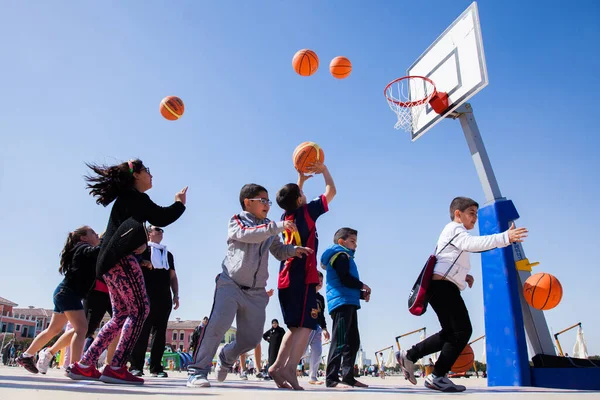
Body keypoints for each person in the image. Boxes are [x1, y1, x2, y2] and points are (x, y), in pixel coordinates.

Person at [68, 159, 187, 385]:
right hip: (122, 260)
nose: (151, 175)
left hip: (108, 264)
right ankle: (116, 366)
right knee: (141, 309)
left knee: (121, 314)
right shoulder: (136, 197)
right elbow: (161, 217)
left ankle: (85, 364)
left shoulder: (128, 200)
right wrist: (179, 203)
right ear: (136, 176)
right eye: (147, 171)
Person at [396, 196, 528, 393]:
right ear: (458, 214)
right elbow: (472, 244)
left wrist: (464, 276)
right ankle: (437, 375)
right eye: (471, 213)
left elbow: (448, 258)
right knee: (462, 331)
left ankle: (409, 355)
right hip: (442, 286)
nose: (475, 218)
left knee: (451, 333)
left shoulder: (455, 233)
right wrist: (505, 237)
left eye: (476, 214)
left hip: (441, 285)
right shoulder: (455, 229)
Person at [186, 183, 312, 388]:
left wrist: (293, 250)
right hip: (230, 284)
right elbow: (249, 234)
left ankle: (226, 356)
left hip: (256, 293)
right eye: (263, 201)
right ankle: (197, 371)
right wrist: (276, 227)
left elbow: (278, 250)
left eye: (268, 202)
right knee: (218, 325)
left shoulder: (269, 226)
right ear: (247, 202)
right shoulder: (237, 221)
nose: (267, 206)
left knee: (251, 340)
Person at [269, 162, 336, 390]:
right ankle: (289, 368)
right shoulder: (308, 212)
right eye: (302, 194)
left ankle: (276, 367)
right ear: (300, 200)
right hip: (302, 275)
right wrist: (324, 169)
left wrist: (300, 180)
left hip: (285, 277)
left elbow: (292, 200)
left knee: (295, 327)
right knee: (307, 325)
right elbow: (331, 192)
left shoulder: (286, 214)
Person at [17, 226, 101, 374]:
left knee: (54, 329)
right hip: (69, 294)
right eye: (93, 233)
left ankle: (26, 355)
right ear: (84, 238)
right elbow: (96, 252)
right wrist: (108, 241)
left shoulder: (80, 248)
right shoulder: (83, 248)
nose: (97, 235)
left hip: (63, 293)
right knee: (81, 329)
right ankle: (76, 367)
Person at [321, 227, 370, 388]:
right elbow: (344, 279)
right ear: (341, 242)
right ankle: (331, 378)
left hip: (348, 302)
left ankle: (348, 377)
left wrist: (361, 295)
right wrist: (362, 286)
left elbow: (347, 284)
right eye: (352, 241)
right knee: (340, 340)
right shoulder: (340, 256)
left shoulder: (346, 257)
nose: (355, 245)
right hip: (341, 303)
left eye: (356, 242)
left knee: (353, 341)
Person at [129, 225, 180, 378]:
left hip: (164, 297)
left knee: (160, 334)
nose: (160, 232)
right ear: (149, 233)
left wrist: (176, 294)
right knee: (142, 331)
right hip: (145, 295)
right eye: (157, 229)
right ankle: (136, 366)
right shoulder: (141, 250)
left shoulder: (168, 254)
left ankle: (156, 367)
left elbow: (172, 276)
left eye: (162, 230)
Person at [304, 271, 330, 384]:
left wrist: (324, 329)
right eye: (317, 280)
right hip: (306, 326)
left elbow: (322, 315)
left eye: (321, 281)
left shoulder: (321, 298)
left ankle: (312, 377)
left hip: (317, 327)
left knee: (318, 351)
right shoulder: (306, 293)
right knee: (302, 352)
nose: (320, 283)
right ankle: (286, 368)